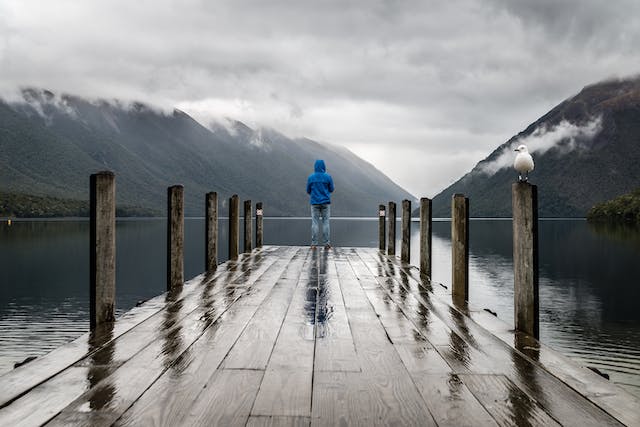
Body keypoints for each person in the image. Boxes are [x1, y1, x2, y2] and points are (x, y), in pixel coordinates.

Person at [306, 159, 334, 249]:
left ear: (315, 166)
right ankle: (327, 243)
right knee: (326, 222)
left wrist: (315, 193)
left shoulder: (311, 177)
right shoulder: (328, 177)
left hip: (314, 203)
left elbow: (308, 190)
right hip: (326, 202)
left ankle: (314, 244)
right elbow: (332, 189)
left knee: (315, 223)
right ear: (324, 166)